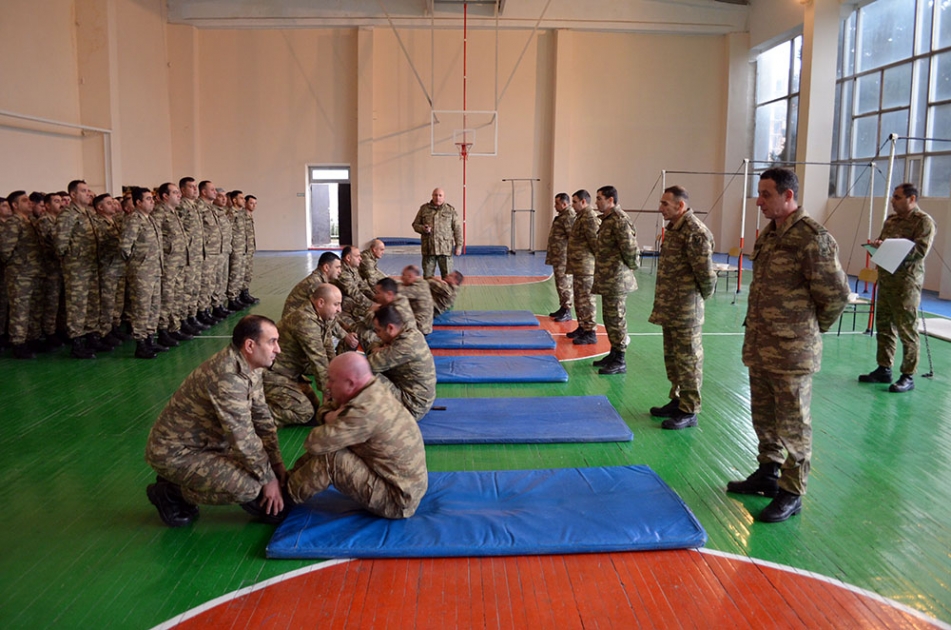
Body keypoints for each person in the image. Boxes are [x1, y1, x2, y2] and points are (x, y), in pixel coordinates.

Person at [727, 168, 849, 523]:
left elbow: (836, 295)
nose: (759, 201)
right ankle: (768, 472)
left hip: (793, 350)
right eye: (760, 193)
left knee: (793, 424)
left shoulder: (813, 238)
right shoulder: (770, 234)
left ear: (788, 196)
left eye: (766, 194)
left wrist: (808, 330)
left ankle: (792, 492)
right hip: (762, 344)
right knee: (764, 416)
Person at [145, 315, 288, 527]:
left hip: (211, 446)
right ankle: (171, 492)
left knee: (261, 478)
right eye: (272, 342)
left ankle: (182, 483)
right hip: (177, 453)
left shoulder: (252, 366)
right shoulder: (227, 376)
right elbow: (242, 437)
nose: (278, 349)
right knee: (249, 488)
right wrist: (269, 479)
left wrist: (276, 463)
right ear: (250, 345)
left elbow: (262, 419)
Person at [286, 352, 428, 519]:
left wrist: (329, 415)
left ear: (351, 384)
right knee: (334, 441)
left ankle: (282, 501)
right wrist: (328, 416)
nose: (328, 386)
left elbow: (314, 442)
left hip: (397, 500)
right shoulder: (372, 388)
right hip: (406, 486)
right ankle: (288, 480)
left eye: (332, 380)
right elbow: (327, 410)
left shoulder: (363, 412)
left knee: (331, 457)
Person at [647, 186, 717, 430]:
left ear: (681, 206)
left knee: (689, 360)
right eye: (661, 203)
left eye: (665, 204)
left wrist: (696, 302)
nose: (661, 208)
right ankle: (677, 401)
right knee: (674, 359)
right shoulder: (675, 230)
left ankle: (690, 410)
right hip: (671, 308)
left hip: (686, 310)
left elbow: (707, 276)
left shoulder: (695, 232)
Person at [858, 183, 935, 393]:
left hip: (906, 283)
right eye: (893, 196)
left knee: (907, 329)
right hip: (887, 279)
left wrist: (893, 247)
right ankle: (884, 368)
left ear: (911, 199)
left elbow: (920, 251)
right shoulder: (891, 220)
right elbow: (883, 241)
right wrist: (878, 245)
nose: (892, 200)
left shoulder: (923, 222)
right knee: (883, 326)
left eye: (897, 197)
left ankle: (908, 375)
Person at [264, 284, 350, 427]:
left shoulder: (322, 317)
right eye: (336, 304)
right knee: (305, 413)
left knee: (315, 407)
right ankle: (256, 415)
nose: (339, 310)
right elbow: (318, 360)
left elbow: (328, 348)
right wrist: (329, 393)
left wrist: (337, 378)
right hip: (275, 374)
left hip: (292, 374)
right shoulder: (304, 320)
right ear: (320, 303)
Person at [591, 186, 639, 375]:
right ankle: (613, 352)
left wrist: (624, 270)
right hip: (608, 279)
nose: (597, 202)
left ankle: (620, 359)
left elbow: (631, 251)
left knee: (617, 319)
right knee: (610, 318)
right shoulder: (607, 220)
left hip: (617, 279)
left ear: (611, 200)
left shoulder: (620, 220)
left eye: (599, 198)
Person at [54, 179, 102, 359]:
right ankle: (77, 341)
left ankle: (91, 336)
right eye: (83, 191)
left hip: (91, 265)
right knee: (77, 304)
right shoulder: (68, 214)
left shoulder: (87, 213)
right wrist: (71, 260)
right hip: (77, 267)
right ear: (73, 195)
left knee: (91, 303)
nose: (88, 193)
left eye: (88, 190)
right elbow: (60, 243)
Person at [365, 304, 436, 421]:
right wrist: (380, 348)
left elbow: (368, 365)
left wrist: (377, 349)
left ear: (390, 328)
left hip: (411, 406)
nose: (377, 334)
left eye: (378, 330)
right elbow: (377, 345)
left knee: (363, 374)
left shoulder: (404, 346)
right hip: (414, 396)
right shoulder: (410, 331)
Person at [119, 187, 164, 359]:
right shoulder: (133, 220)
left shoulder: (150, 220)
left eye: (152, 199)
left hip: (155, 271)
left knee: (153, 307)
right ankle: (140, 343)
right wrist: (137, 263)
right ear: (138, 202)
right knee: (141, 308)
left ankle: (150, 339)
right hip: (141, 272)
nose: (152, 202)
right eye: (148, 199)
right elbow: (124, 247)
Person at [0, 191, 44, 359]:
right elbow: (5, 250)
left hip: (34, 272)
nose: (30, 203)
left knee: (33, 308)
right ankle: (18, 342)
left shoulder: (30, 221)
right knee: (20, 309)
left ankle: (32, 338)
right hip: (20, 274)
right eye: (25, 201)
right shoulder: (13, 222)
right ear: (15, 206)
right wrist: (18, 264)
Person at [565, 189, 600, 345]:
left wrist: (592, 263)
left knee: (587, 300)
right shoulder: (581, 217)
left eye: (574, 201)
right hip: (579, 266)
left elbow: (595, 243)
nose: (572, 205)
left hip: (586, 268)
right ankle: (582, 326)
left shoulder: (590, 218)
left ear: (583, 202)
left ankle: (590, 331)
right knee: (579, 299)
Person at [412, 187, 462, 279]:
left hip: (445, 249)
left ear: (444, 197)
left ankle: (446, 293)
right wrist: (423, 229)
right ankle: (429, 293)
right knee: (428, 277)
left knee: (447, 278)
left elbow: (457, 229)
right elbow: (415, 225)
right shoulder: (424, 209)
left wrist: (459, 245)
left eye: (440, 195)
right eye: (435, 195)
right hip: (428, 249)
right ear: (432, 196)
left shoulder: (450, 210)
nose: (437, 197)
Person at [282, 251, 342, 318]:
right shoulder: (315, 282)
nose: (340, 271)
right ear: (326, 267)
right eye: (337, 267)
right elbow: (324, 310)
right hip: (294, 320)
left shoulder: (320, 279)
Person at [545, 192, 576, 322]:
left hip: (564, 257)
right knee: (560, 283)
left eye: (557, 203)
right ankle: (563, 307)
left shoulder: (568, 216)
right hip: (558, 256)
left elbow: (572, 237)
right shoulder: (562, 216)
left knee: (564, 284)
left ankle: (567, 310)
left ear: (564, 204)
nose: (554, 205)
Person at [399, 264, 434, 335]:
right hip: (423, 325)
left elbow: (395, 291)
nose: (401, 278)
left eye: (403, 275)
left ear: (410, 276)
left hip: (419, 328)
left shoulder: (417, 288)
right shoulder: (422, 282)